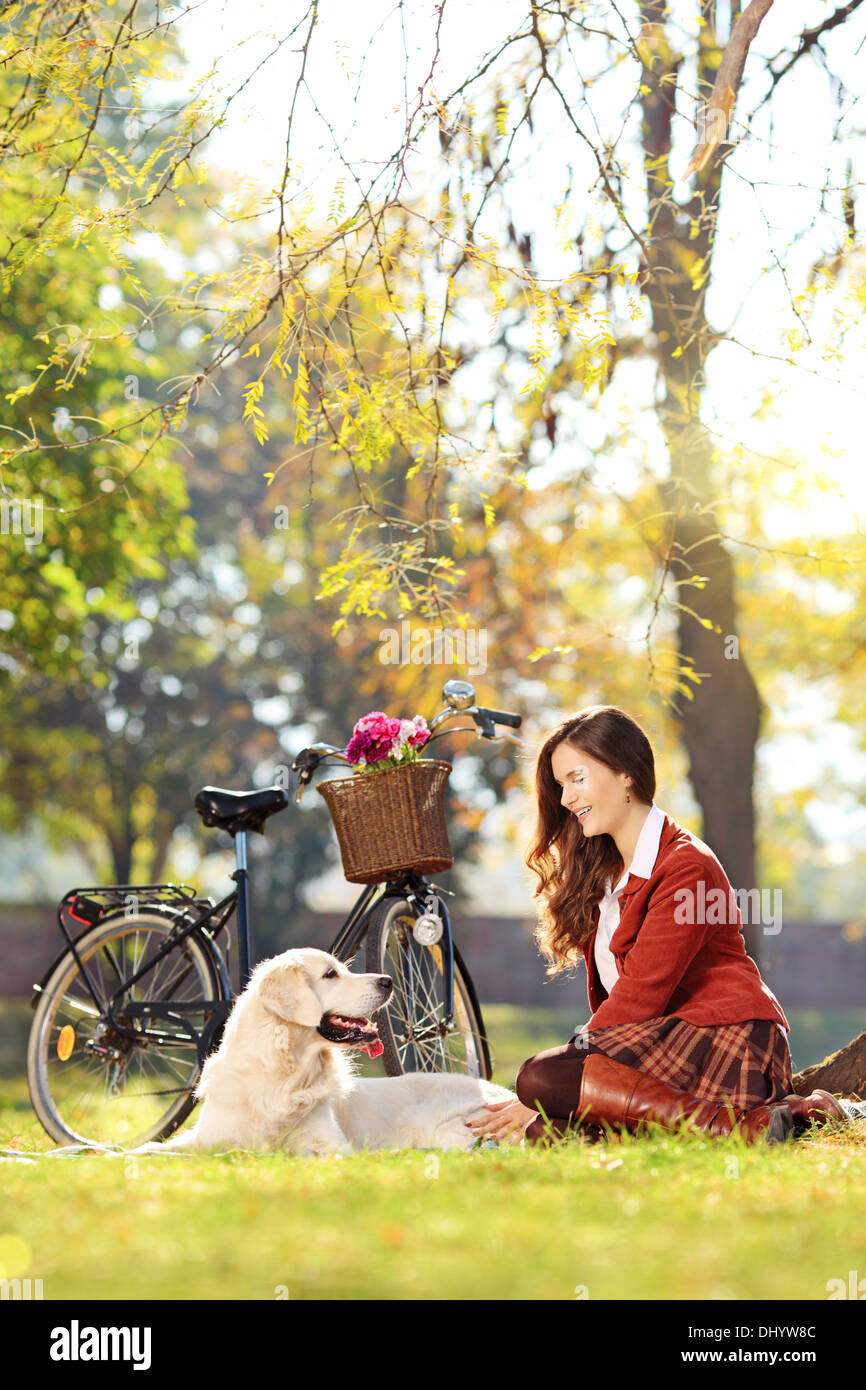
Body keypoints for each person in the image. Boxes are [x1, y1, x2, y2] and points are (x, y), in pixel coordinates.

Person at [465, 705, 851, 1149]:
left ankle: (736, 1130)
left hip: (724, 1039)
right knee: (545, 1131)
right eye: (560, 785)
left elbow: (640, 996)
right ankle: (784, 1119)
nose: (567, 798)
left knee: (538, 1076)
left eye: (577, 778)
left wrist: (547, 1086)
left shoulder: (686, 865)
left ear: (625, 774)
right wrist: (549, 1096)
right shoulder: (607, 876)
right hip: (664, 1053)